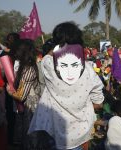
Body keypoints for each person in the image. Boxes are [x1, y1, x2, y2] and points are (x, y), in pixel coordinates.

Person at [28, 21, 104, 150]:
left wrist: (60, 45)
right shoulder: (89, 71)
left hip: (53, 133)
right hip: (80, 135)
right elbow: (99, 103)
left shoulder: (49, 66)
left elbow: (47, 56)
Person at [6, 39, 41, 148]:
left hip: (31, 108)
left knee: (31, 138)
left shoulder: (29, 69)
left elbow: (21, 96)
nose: (15, 52)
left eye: (18, 50)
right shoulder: (26, 66)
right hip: (27, 108)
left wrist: (8, 89)